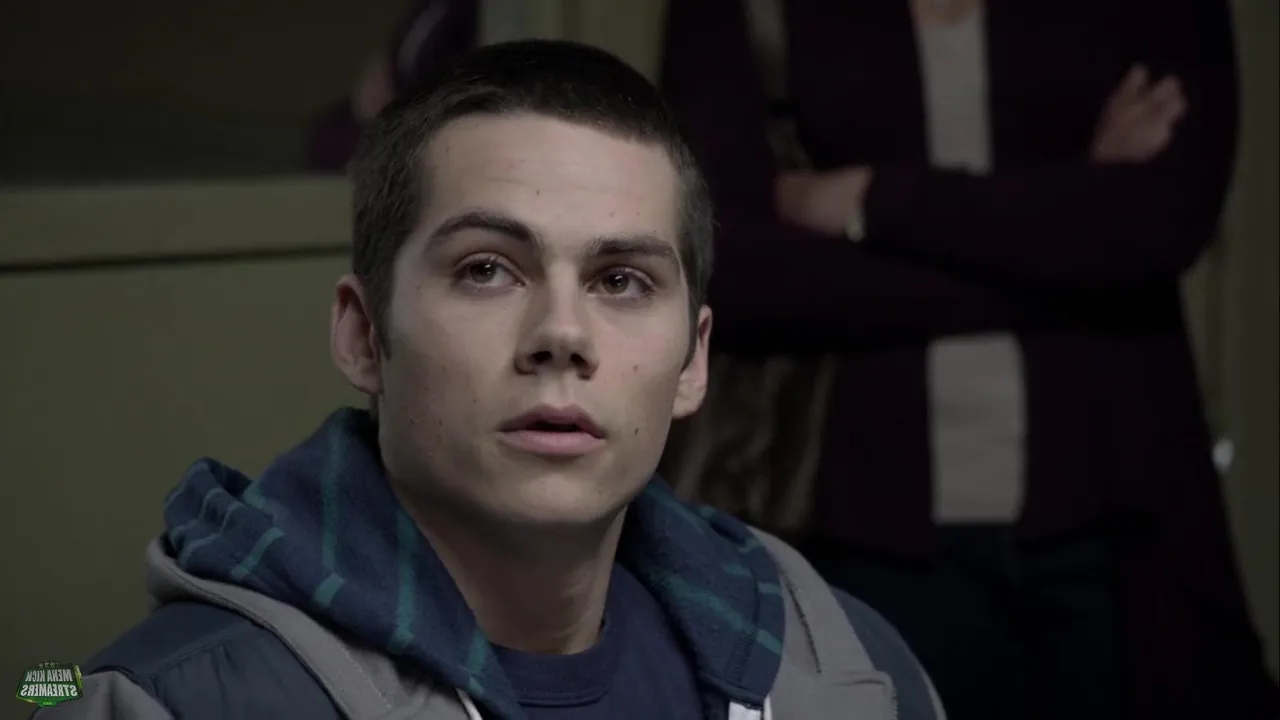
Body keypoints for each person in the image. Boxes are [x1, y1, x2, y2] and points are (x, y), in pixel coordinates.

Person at [35, 40, 945, 720]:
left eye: (622, 281)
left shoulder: (851, 670)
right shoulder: (159, 699)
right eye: (486, 270)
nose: (561, 334)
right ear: (363, 335)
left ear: (693, 361)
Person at [659, 1, 1278, 719]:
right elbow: (737, 270)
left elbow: (1157, 226)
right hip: (855, 524)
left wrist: (869, 200)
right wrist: (1068, 232)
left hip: (1119, 523)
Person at [306, 0, 478, 172]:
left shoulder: (469, 11)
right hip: (389, 105)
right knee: (327, 134)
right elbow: (396, 57)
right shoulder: (426, 8)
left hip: (423, 116)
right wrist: (378, 76)